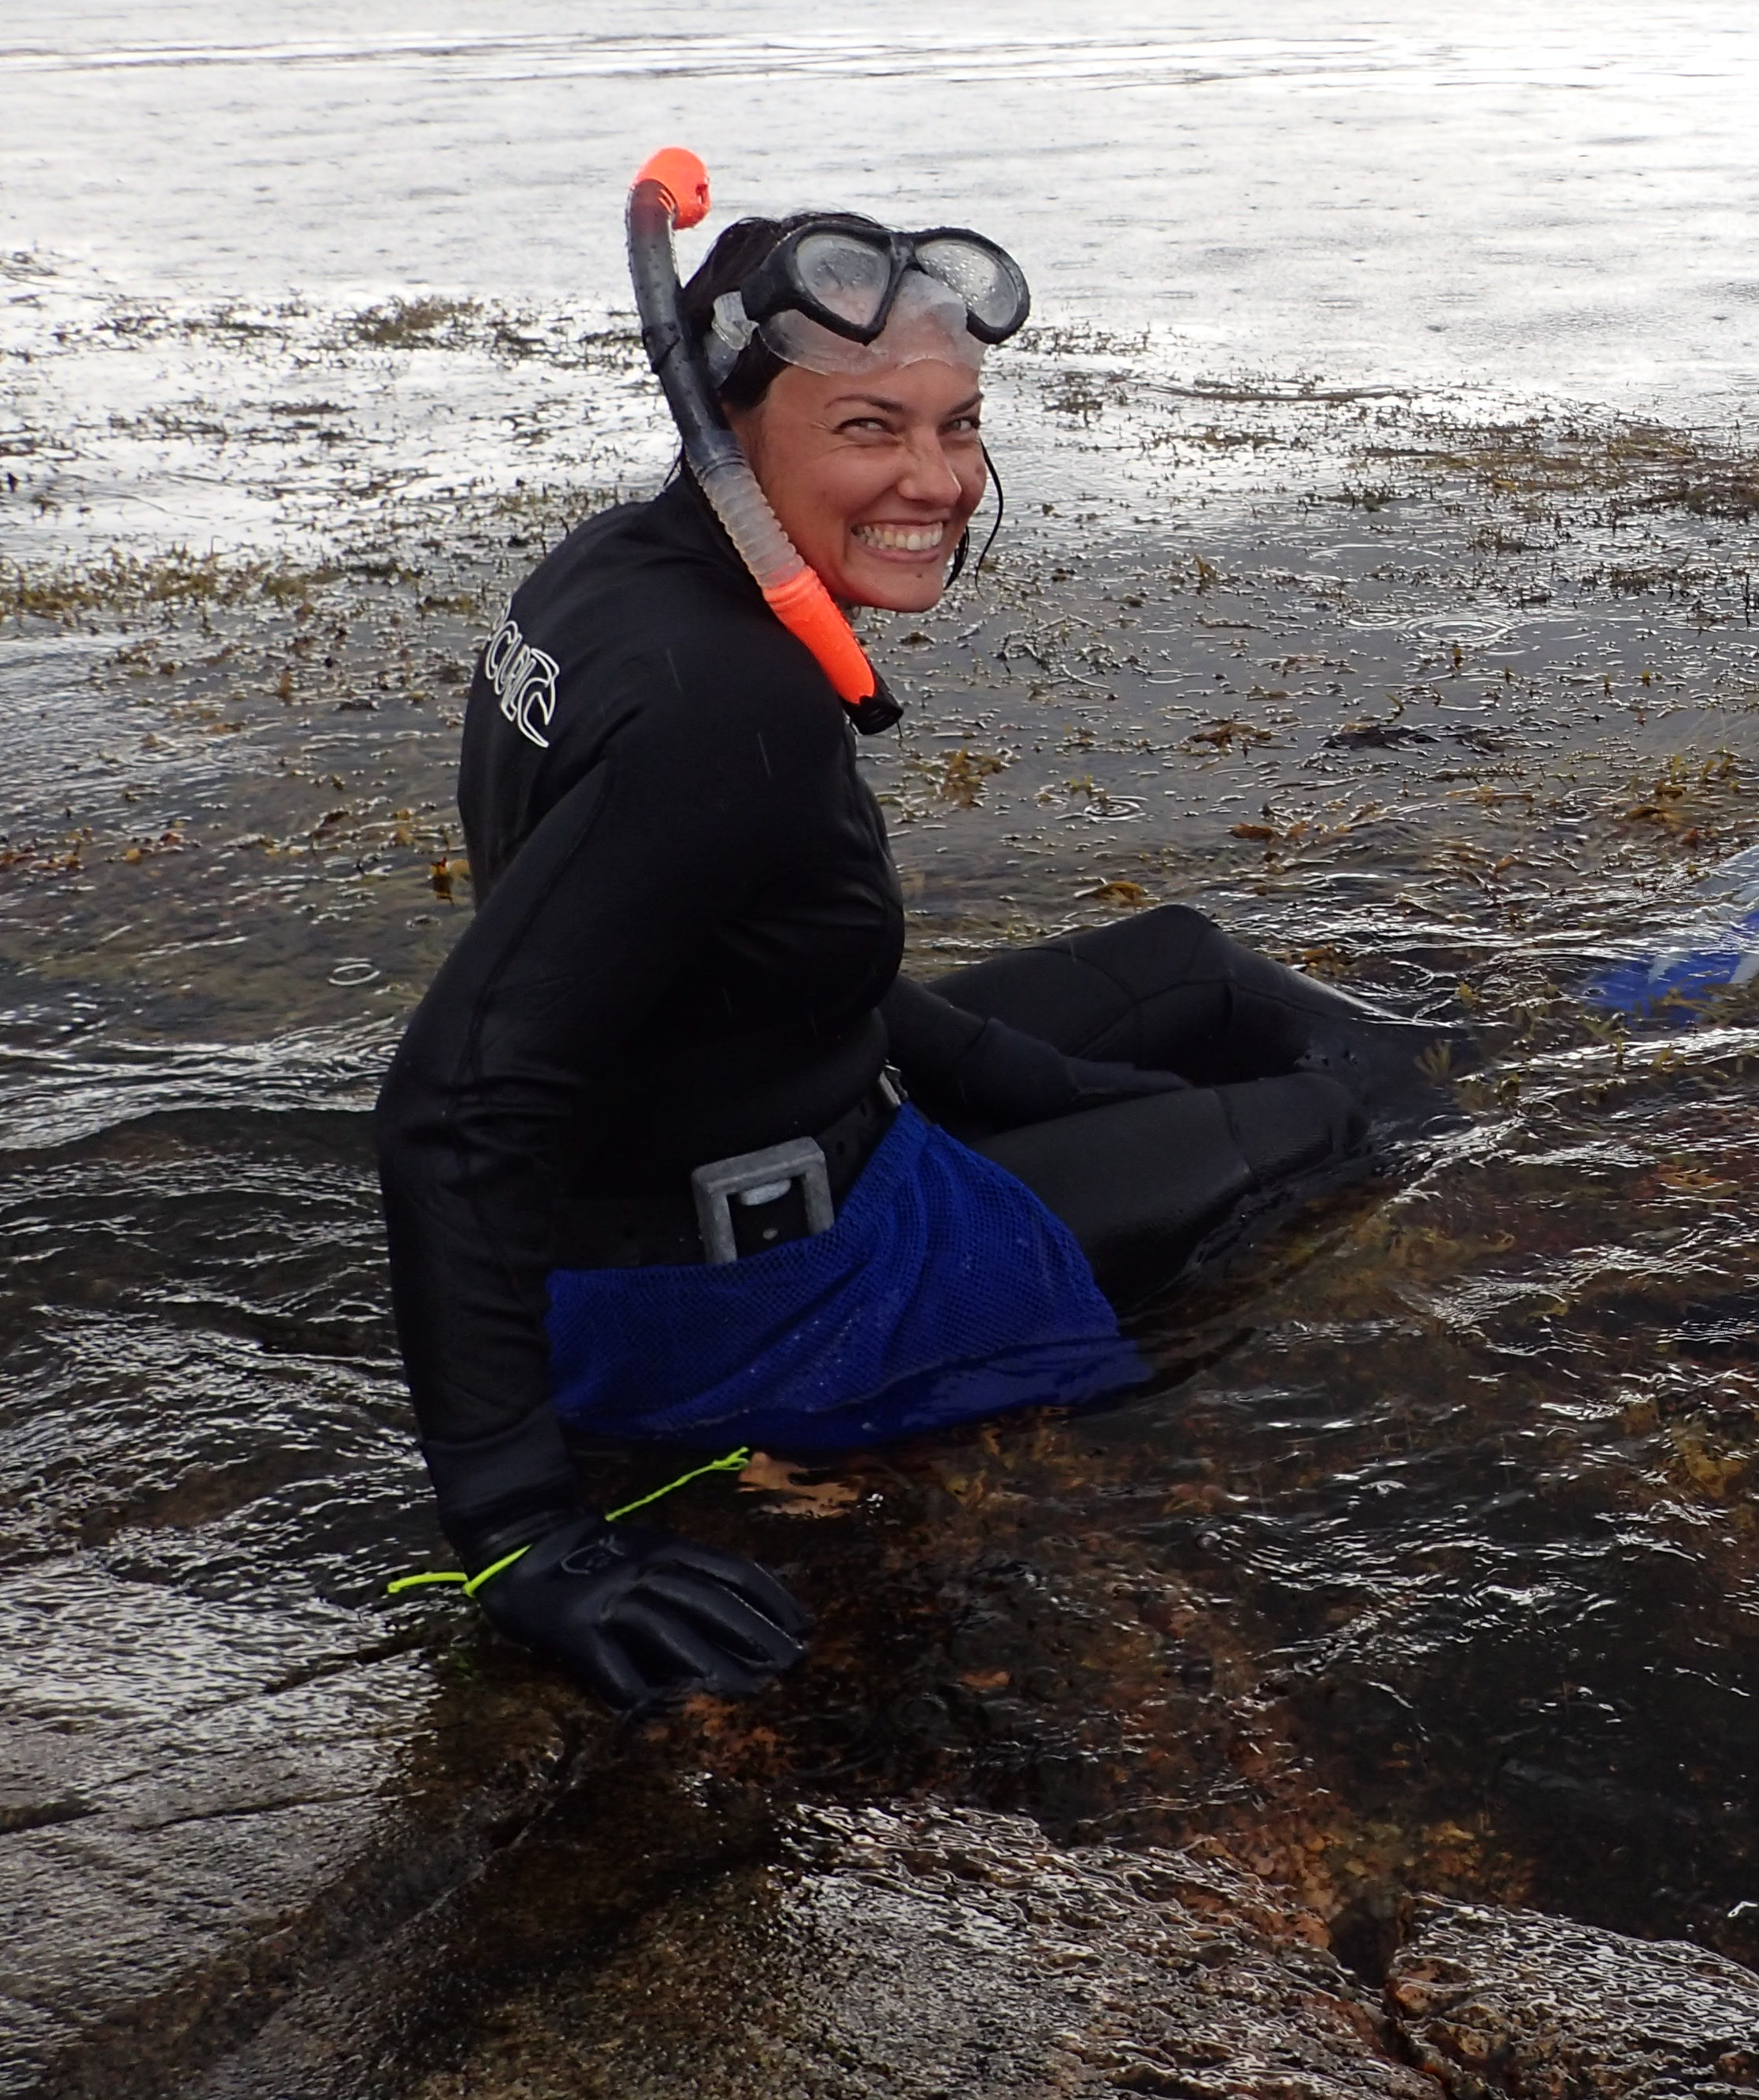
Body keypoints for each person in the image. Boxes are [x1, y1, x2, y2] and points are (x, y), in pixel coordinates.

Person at [378, 189, 1415, 1712]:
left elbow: (766, 957)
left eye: (959, 424)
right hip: (754, 1298)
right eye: (872, 428)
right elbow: (453, 1104)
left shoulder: (611, 573)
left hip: (765, 1119)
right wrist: (526, 1532)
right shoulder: (725, 703)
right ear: (732, 430)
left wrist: (1045, 1079)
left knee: (1193, 962)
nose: (936, 481)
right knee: (1354, 1121)